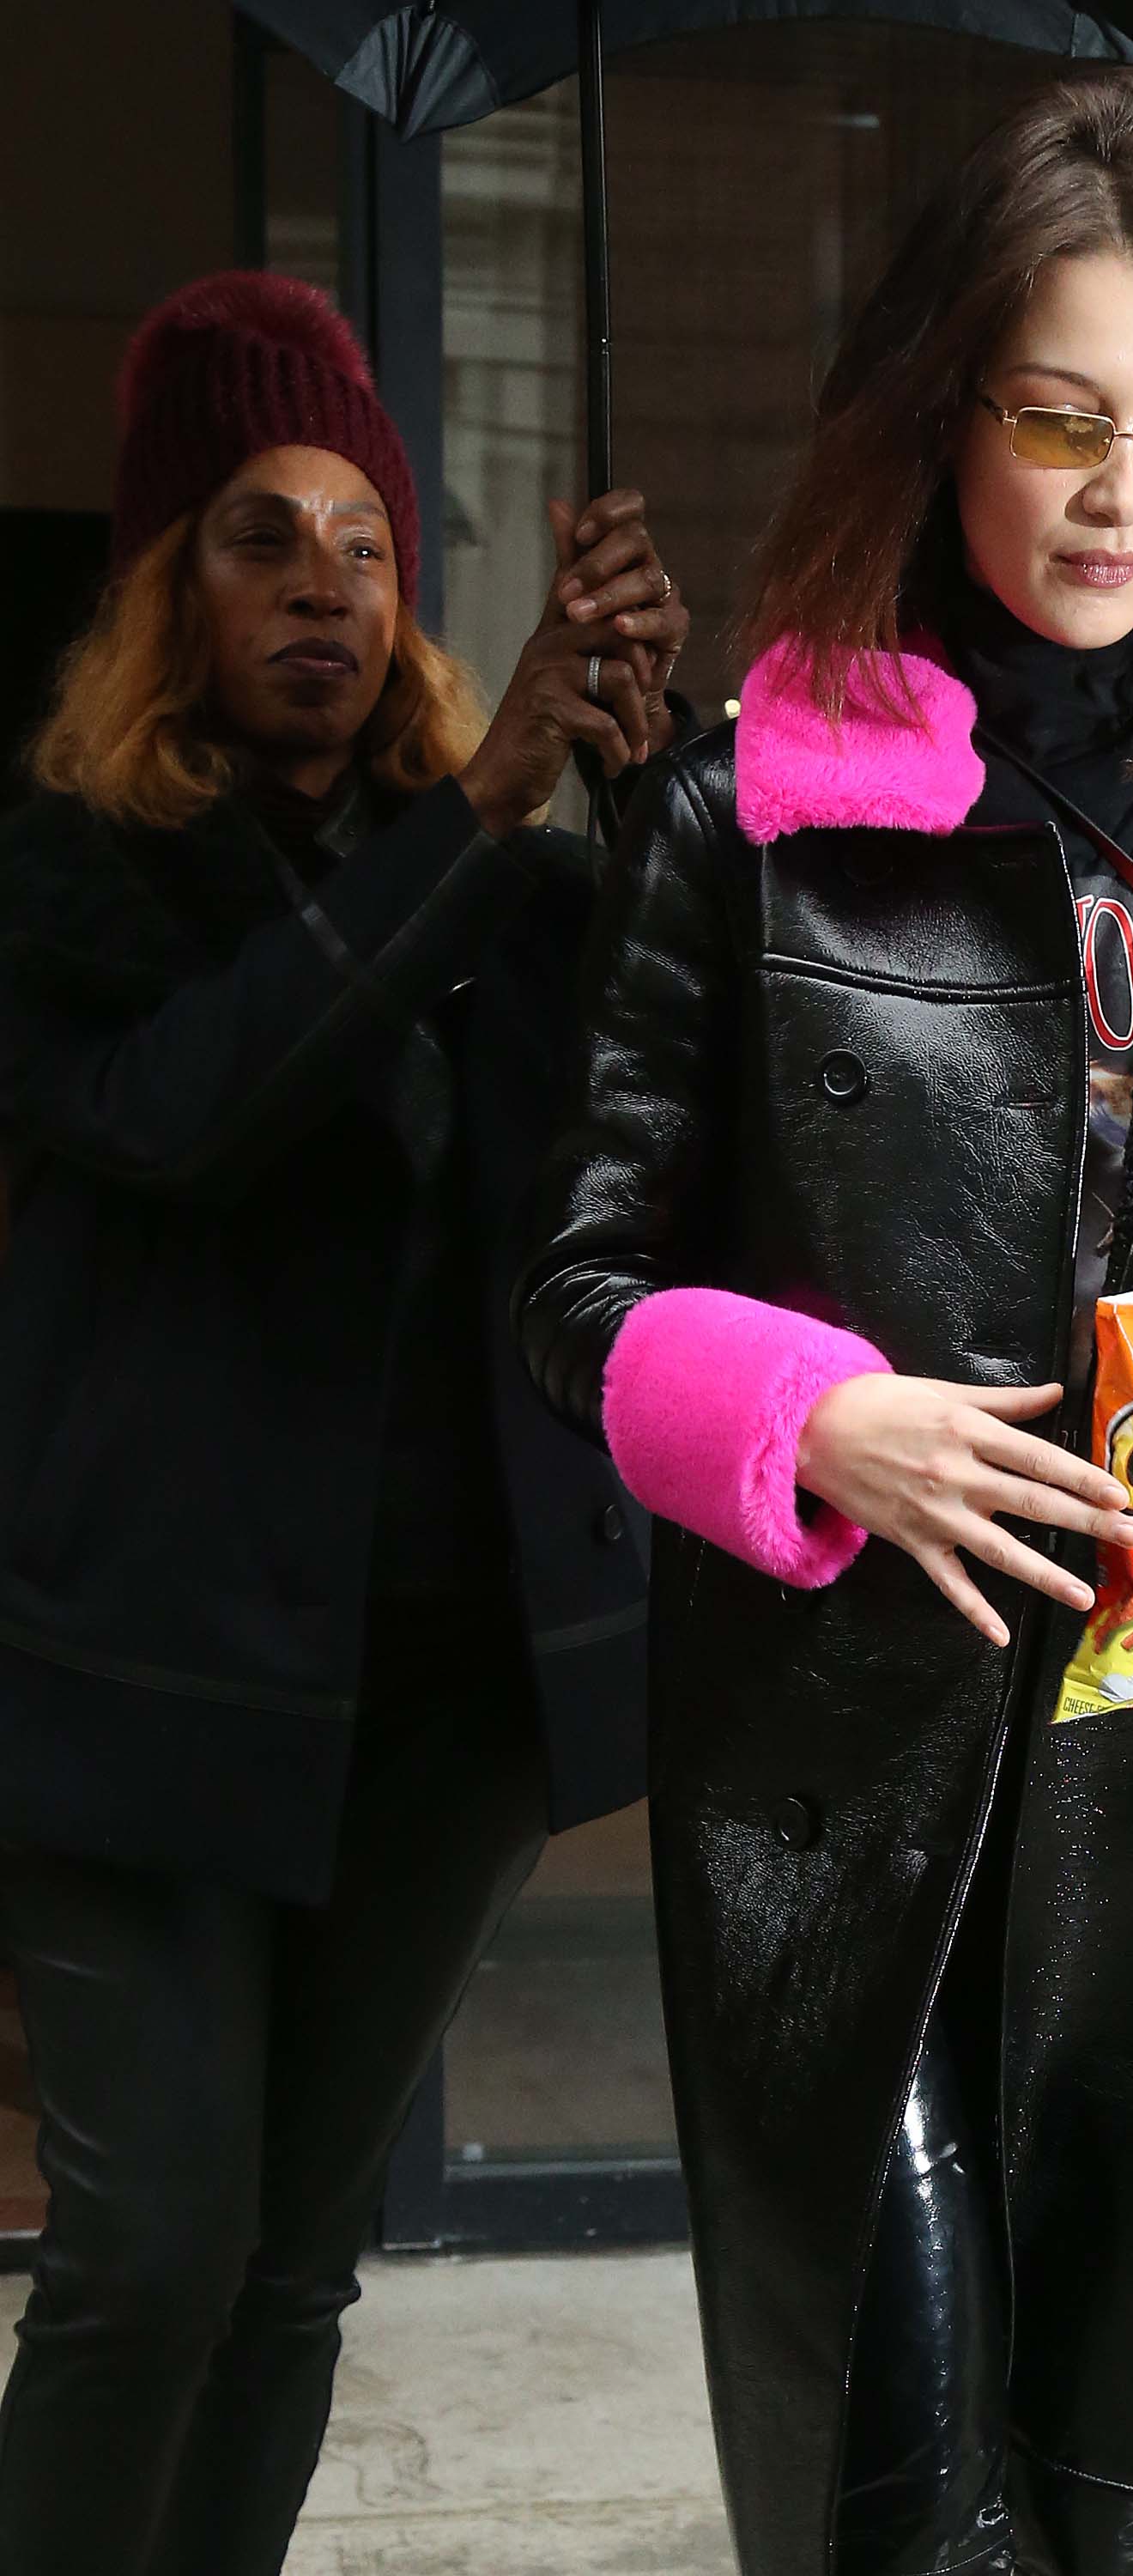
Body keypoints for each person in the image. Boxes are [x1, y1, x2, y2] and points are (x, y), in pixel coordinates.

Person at [517, 69, 1133, 2576]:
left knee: (1122, 2514)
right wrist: (811, 1419)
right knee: (901, 2502)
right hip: (851, 1770)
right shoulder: (756, 808)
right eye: (1062, 419)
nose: (1120, 495)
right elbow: (579, 1280)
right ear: (940, 404)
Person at [0, 270, 690, 2575]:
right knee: (148, 2257)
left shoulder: (513, 884)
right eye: (258, 534)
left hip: (437, 1698)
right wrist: (481, 808)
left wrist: (648, 765)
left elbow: (724, 1076)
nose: (322, 582)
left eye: (366, 542)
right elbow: (200, 1110)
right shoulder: (68, 875)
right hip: (144, 1685)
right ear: (162, 587)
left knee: (293, 2268)